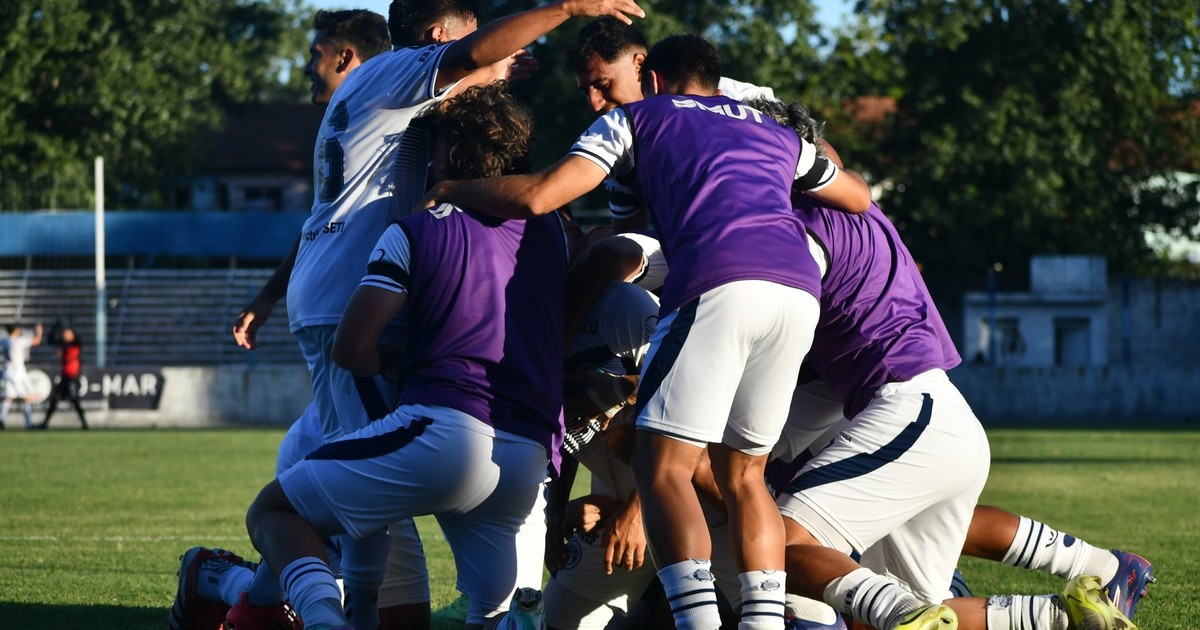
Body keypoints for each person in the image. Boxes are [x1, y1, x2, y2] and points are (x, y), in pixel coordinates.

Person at [420, 34, 871, 630]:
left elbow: (540, 197)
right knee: (746, 476)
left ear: (651, 76)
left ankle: (698, 623)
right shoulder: (772, 127)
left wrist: (448, 189)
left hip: (718, 280)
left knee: (662, 468)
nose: (595, 99)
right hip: (798, 292)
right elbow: (857, 195)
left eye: (601, 85)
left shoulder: (639, 118)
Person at [747, 98, 1138, 630]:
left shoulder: (803, 228)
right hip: (936, 416)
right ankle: (1061, 617)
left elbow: (766, 315)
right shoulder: (861, 211)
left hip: (907, 411)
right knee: (876, 615)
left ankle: (916, 609)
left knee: (781, 544)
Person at [245, 80, 568, 630]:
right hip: (529, 455)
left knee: (273, 511)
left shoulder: (418, 228)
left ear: (451, 153)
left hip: (447, 435)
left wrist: (395, 365)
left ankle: (324, 620)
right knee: (493, 616)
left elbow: (352, 348)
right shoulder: (553, 230)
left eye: (435, 146)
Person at [39, 325, 88, 430]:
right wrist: (54, 327)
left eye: (67, 333)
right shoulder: (63, 345)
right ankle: (44, 424)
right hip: (64, 378)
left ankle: (85, 425)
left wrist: (62, 352)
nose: (64, 335)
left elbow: (69, 357)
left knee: (75, 401)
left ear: (72, 335)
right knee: (55, 399)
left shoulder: (76, 344)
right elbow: (50, 340)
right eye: (63, 333)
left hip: (73, 378)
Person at [1, 322, 43, 430]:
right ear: (15, 330)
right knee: (25, 397)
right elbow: (37, 341)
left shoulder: (4, 341)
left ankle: (1, 419)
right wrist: (39, 330)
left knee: (9, 397)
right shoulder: (19, 341)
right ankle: (29, 424)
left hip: (7, 371)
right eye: (18, 329)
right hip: (18, 372)